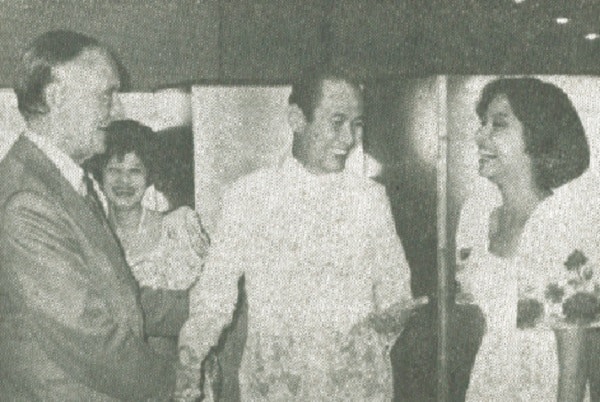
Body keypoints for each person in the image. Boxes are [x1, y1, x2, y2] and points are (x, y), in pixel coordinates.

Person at [175, 65, 416, 401]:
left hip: (355, 387)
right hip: (276, 388)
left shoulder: (370, 199)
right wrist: (191, 361)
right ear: (296, 119)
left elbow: (395, 289)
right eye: (337, 122)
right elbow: (214, 296)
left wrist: (384, 322)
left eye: (356, 124)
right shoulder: (249, 197)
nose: (349, 138)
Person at [0, 30, 188, 400]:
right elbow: (89, 336)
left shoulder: (65, 181)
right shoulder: (27, 200)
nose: (116, 110)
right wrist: (176, 382)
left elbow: (120, 298)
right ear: (56, 96)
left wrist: (206, 303)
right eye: (107, 94)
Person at [455, 77, 600, 401]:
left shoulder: (566, 225)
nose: (480, 136)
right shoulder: (475, 217)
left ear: (536, 138)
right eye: (483, 124)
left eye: (498, 125)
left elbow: (574, 370)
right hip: (486, 388)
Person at [84, 119, 210, 358]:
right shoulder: (91, 238)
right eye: (114, 170)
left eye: (135, 170)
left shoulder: (180, 227)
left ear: (149, 175)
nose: (124, 181)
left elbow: (211, 308)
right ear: (99, 174)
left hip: (178, 371)